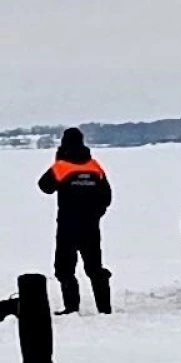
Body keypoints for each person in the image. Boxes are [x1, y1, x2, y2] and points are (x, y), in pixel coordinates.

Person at [38, 127, 113, 315]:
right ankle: (105, 308)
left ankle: (71, 308)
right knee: (95, 268)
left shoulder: (61, 167)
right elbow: (107, 197)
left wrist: (58, 162)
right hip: (91, 226)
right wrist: (96, 214)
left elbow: (45, 186)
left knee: (64, 269)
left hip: (67, 226)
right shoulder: (95, 167)